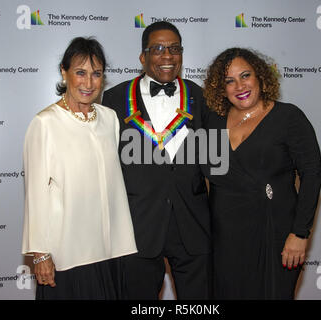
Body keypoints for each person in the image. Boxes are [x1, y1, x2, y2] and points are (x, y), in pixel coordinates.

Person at [102, 21, 211, 300]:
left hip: (192, 226)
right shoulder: (115, 98)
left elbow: (217, 160)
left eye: (174, 48)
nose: (167, 56)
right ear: (143, 56)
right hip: (138, 226)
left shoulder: (200, 97)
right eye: (158, 48)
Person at [202, 48, 321, 299]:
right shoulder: (213, 121)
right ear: (221, 88)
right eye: (229, 81)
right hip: (225, 240)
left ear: (260, 77)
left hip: (275, 234)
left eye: (245, 76)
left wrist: (300, 234)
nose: (239, 86)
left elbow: (312, 175)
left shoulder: (288, 117)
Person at [21, 37, 137, 300]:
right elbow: (36, 194)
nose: (88, 83)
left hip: (110, 249)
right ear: (64, 72)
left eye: (96, 74)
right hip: (68, 252)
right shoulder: (45, 123)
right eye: (80, 73)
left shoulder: (109, 118)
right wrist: (40, 254)